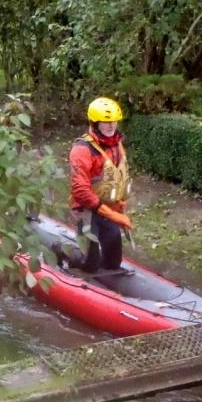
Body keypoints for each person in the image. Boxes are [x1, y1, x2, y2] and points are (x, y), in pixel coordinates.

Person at [69, 96, 134, 272]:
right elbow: (81, 192)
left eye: (113, 121)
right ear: (94, 123)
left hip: (106, 209)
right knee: (90, 264)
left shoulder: (117, 145)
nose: (111, 125)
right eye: (105, 122)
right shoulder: (82, 149)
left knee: (113, 263)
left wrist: (119, 203)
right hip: (87, 211)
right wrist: (115, 217)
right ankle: (63, 251)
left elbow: (115, 176)